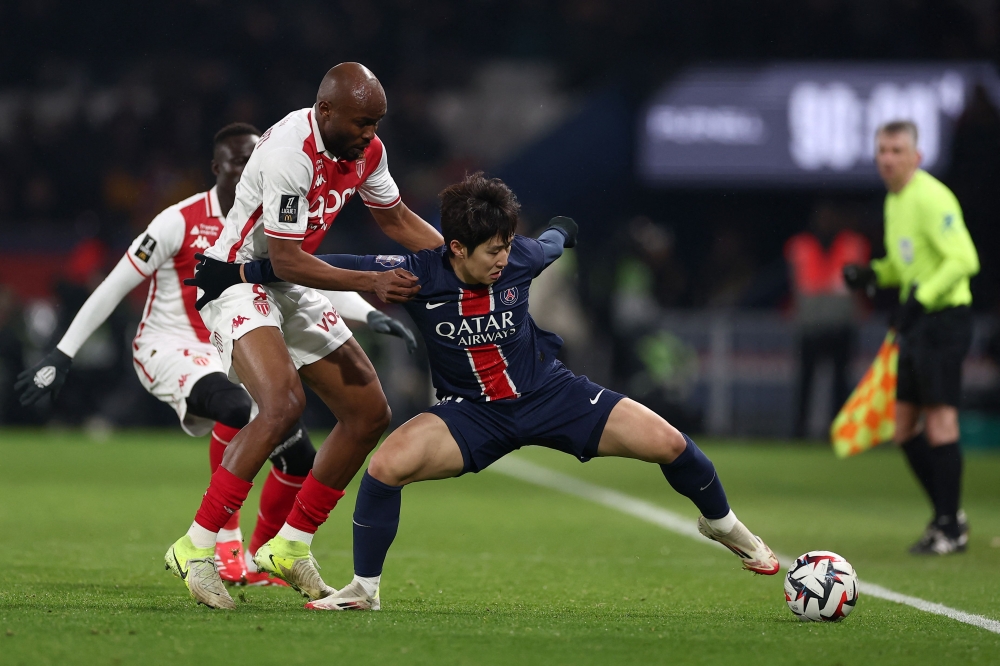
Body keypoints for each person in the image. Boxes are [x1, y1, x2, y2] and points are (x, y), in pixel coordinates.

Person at [191, 172, 780, 611]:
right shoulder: (415, 274)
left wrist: (565, 231)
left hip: (550, 394)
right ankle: (365, 591)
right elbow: (315, 263)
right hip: (471, 415)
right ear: (456, 249)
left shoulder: (522, 255)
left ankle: (724, 524)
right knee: (385, 466)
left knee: (672, 443)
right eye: (492, 250)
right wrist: (235, 274)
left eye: (507, 246)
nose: (504, 258)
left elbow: (554, 239)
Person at [14, 122, 418, 586]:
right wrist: (62, 353)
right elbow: (114, 284)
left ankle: (269, 554)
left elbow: (302, 272)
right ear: (217, 168)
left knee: (300, 454)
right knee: (244, 405)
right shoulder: (178, 219)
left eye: (253, 159)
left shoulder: (281, 200)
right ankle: (220, 540)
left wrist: (369, 315)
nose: (249, 168)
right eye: (238, 161)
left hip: (242, 333)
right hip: (172, 346)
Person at [163, 63, 443, 609]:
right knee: (282, 406)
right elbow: (287, 257)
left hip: (287, 283)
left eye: (377, 123)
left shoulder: (367, 151)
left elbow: (396, 219)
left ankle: (290, 545)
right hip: (239, 277)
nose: (371, 134)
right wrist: (372, 282)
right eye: (363, 123)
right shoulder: (292, 152)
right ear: (326, 112)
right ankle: (195, 546)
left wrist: (454, 260)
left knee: (368, 413)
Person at [844, 120, 980, 555]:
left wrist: (921, 297)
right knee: (903, 430)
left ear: (916, 157)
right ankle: (949, 518)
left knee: (940, 424)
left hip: (944, 320)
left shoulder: (931, 196)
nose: (888, 158)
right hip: (919, 323)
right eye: (882, 150)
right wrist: (872, 273)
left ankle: (949, 526)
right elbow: (906, 266)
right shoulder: (895, 200)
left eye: (897, 150)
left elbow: (963, 260)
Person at [784, 204, 870, 438]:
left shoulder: (853, 244)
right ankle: (799, 432)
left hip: (840, 324)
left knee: (841, 384)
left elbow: (859, 288)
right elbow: (795, 287)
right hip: (810, 325)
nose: (826, 221)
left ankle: (839, 431)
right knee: (805, 382)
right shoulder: (800, 245)